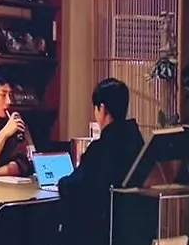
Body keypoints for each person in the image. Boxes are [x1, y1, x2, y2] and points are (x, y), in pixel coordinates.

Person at [58, 78, 145, 230]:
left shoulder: (101, 148)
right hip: (133, 229)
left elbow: (75, 186)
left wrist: (61, 183)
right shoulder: (138, 142)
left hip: (103, 232)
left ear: (102, 108)